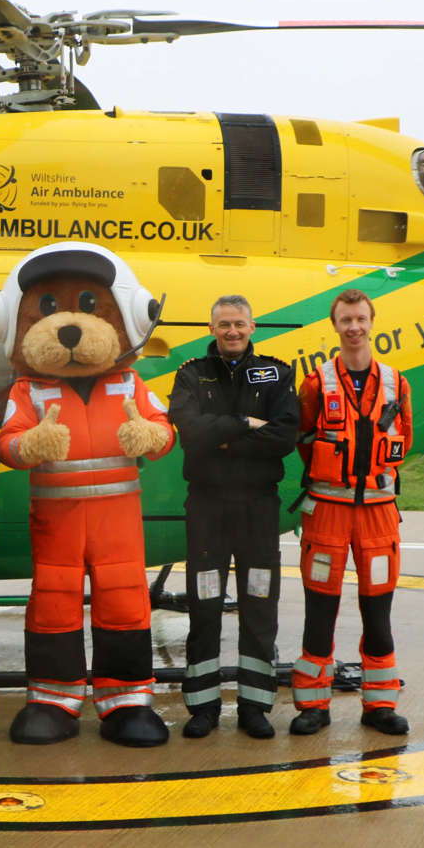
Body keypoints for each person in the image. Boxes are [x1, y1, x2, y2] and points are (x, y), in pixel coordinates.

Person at [167, 295, 299, 739]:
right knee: (204, 606)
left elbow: (283, 437)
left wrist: (220, 436)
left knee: (259, 605)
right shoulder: (191, 374)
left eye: (239, 323)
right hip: (207, 508)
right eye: (224, 324)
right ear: (212, 329)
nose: (232, 331)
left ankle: (255, 707)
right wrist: (246, 422)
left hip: (258, 509)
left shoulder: (276, 374)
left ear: (252, 326)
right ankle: (202, 708)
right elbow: (190, 432)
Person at [291, 288, 414, 736]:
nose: (354, 327)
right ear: (335, 325)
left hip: (378, 514)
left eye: (361, 318)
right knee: (319, 610)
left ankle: (379, 705)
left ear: (371, 321)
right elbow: (304, 440)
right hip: (327, 511)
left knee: (378, 612)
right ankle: (313, 705)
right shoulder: (314, 383)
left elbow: (406, 439)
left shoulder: (397, 383)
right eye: (346, 320)